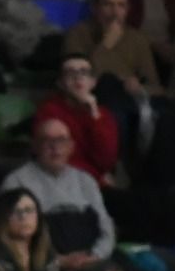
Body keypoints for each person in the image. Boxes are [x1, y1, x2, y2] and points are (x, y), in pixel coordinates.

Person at [1, 119, 115, 271]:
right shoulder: (16, 181)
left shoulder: (85, 180)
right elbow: (10, 236)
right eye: (47, 140)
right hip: (42, 264)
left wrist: (96, 256)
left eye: (61, 140)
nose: (55, 147)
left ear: (71, 147)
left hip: (91, 261)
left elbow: (105, 226)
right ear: (35, 146)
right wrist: (58, 261)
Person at [63, 0, 161, 151]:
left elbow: (154, 85)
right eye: (108, 5)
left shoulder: (137, 38)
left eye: (121, 5)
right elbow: (79, 78)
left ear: (128, 9)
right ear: (95, 7)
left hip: (130, 100)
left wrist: (139, 87)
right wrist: (106, 45)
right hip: (92, 100)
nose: (115, 12)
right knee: (112, 101)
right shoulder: (78, 34)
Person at [35, 54, 122, 186]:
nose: (78, 77)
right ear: (61, 83)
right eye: (70, 73)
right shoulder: (49, 111)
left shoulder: (103, 114)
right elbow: (54, 158)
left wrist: (94, 115)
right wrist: (96, 175)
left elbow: (106, 161)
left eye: (84, 72)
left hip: (93, 183)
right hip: (61, 180)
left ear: (93, 82)